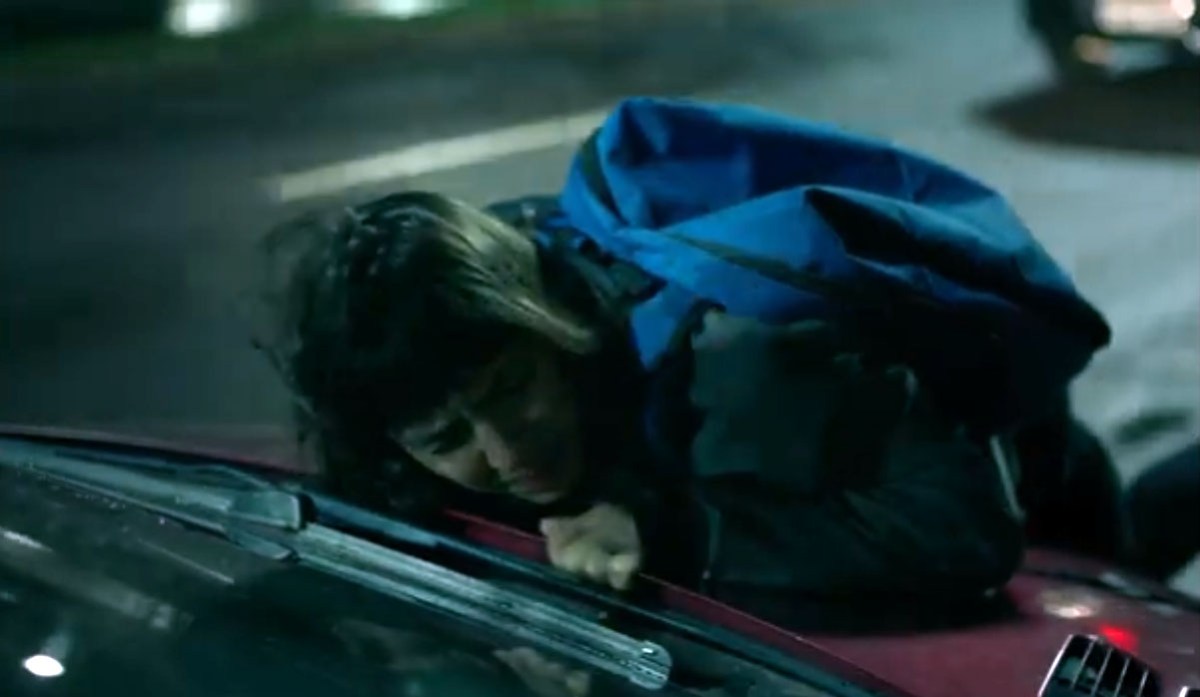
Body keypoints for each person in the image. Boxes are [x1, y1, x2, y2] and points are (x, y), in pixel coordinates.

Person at [249, 98, 1110, 604]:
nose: (506, 453)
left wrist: (677, 529)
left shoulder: (742, 349)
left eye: (511, 390)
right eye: (446, 439)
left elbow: (965, 529)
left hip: (1056, 507)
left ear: (548, 323)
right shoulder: (407, 418)